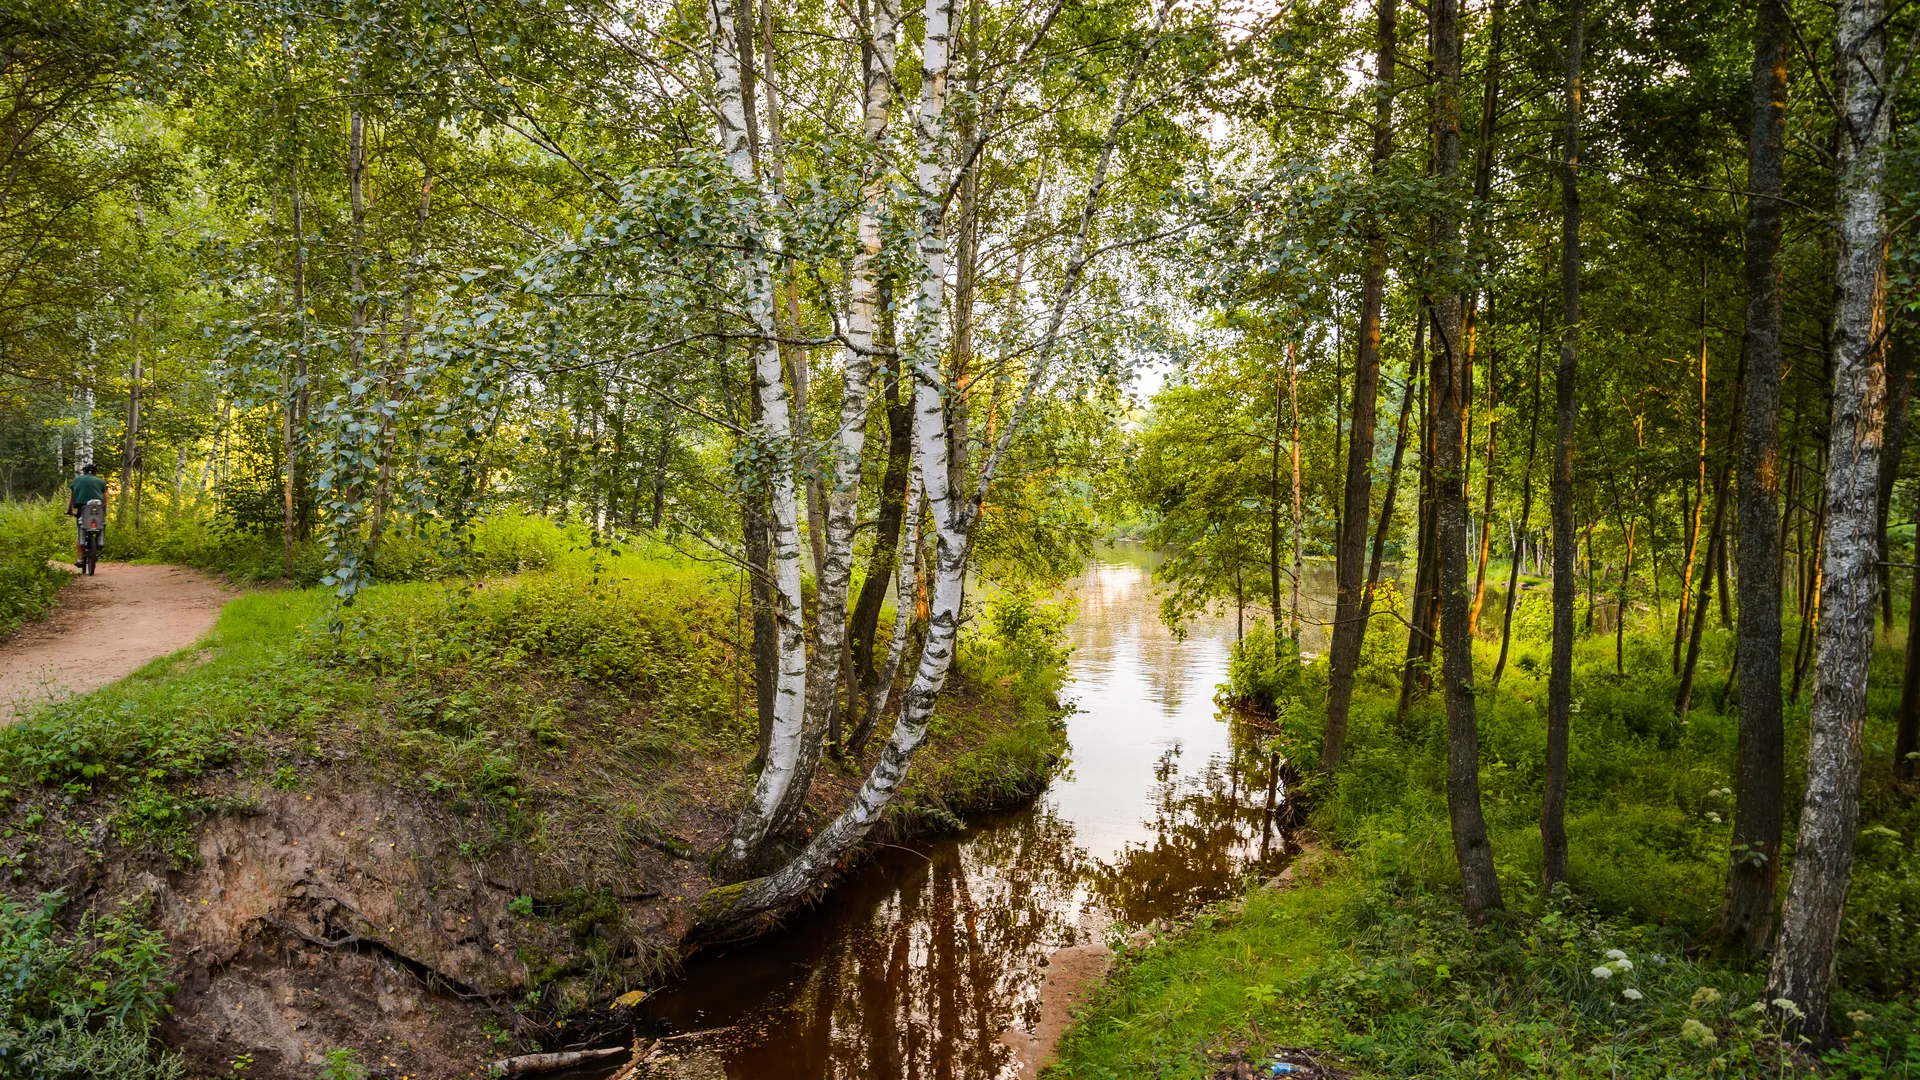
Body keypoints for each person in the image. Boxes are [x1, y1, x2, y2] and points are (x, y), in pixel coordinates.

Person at [67, 463, 107, 568]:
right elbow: (105, 500)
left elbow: (72, 498)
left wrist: (69, 510)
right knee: (101, 525)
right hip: (98, 509)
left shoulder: (76, 481)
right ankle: (99, 544)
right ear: (95, 472)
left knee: (81, 530)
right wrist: (103, 510)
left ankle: (80, 560)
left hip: (82, 509)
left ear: (84, 471)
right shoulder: (101, 482)